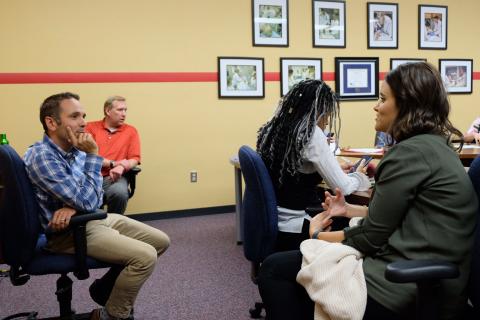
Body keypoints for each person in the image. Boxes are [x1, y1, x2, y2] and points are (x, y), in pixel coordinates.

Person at [257, 62, 477, 319]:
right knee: (290, 267)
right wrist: (350, 209)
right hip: (429, 272)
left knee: (274, 270)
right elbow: (408, 215)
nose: (376, 106)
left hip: (402, 281)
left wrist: (316, 236)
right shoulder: (435, 146)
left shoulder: (409, 153)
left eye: (383, 99)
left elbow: (372, 236)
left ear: (406, 105)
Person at [24, 92, 170, 320]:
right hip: (68, 232)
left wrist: (75, 204)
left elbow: (92, 196)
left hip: (87, 218)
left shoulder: (72, 151)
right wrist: (92, 156)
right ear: (51, 122)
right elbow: (87, 199)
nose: (83, 122)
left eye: (83, 116)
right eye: (74, 116)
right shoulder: (42, 156)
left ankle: (104, 289)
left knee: (161, 241)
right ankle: (110, 316)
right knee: (145, 257)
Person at [256, 79, 371, 251]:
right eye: (328, 114)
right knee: (361, 224)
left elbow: (292, 167)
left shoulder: (274, 126)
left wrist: (333, 169)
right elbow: (344, 188)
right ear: (320, 112)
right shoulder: (311, 133)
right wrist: (360, 176)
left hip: (275, 219)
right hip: (297, 224)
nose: (327, 120)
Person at [86, 96, 140, 215]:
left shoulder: (131, 131)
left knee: (120, 193)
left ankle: (114, 224)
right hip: (90, 176)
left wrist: (122, 167)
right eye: (120, 110)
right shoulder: (90, 127)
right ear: (108, 111)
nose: (124, 114)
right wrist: (114, 163)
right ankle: (95, 226)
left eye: (125, 110)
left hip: (113, 178)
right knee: (85, 197)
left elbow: (135, 158)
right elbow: (87, 155)